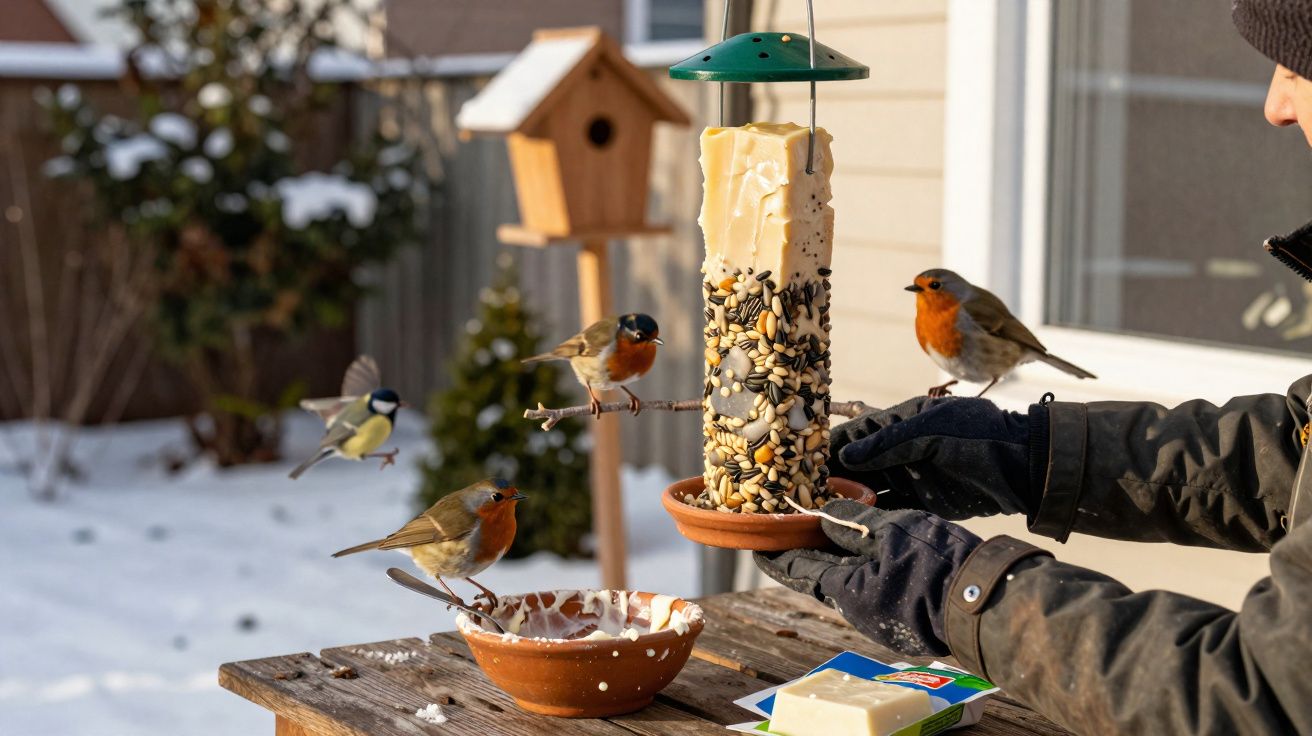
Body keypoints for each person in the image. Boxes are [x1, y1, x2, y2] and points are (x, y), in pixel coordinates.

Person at [755, 2, 1312, 733]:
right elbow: (1291, 452)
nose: (1275, 102)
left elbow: (1261, 697)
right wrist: (1026, 455)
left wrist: (958, 591)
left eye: (1298, 62)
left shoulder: (969, 310)